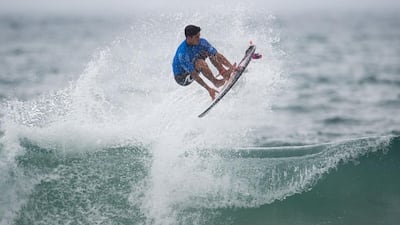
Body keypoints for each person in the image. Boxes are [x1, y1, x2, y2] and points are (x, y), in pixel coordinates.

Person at [172, 25, 237, 100]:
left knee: (210, 52)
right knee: (200, 63)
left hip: (193, 64)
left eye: (199, 36)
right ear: (189, 38)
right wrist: (209, 89)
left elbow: (217, 55)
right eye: (196, 37)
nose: (199, 39)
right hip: (182, 77)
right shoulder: (183, 53)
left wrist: (231, 67)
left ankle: (223, 72)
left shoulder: (201, 42)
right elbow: (194, 75)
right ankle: (215, 82)